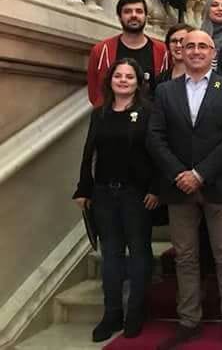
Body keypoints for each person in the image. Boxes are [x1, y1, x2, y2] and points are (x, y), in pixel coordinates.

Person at [147, 30, 222, 350]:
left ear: (212, 52)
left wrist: (200, 173)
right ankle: (188, 320)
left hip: (218, 185)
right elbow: (155, 137)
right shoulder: (165, 91)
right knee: (185, 258)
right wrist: (180, 173)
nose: (195, 51)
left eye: (202, 46)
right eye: (189, 45)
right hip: (178, 189)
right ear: (181, 51)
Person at [73, 58, 158, 342]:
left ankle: (135, 311)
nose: (123, 80)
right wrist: (83, 189)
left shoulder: (148, 112)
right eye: (118, 76)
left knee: (139, 253)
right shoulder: (99, 114)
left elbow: (157, 154)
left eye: (129, 77)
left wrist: (156, 189)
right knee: (110, 255)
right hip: (104, 194)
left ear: (138, 83)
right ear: (110, 80)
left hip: (137, 194)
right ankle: (111, 314)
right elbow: (89, 153)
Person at [87, 0, 168, 107]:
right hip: (111, 120)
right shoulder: (101, 50)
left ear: (146, 16)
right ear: (119, 17)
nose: (134, 15)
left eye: (139, 11)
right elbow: (94, 92)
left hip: (150, 121)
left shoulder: (162, 51)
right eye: (128, 11)